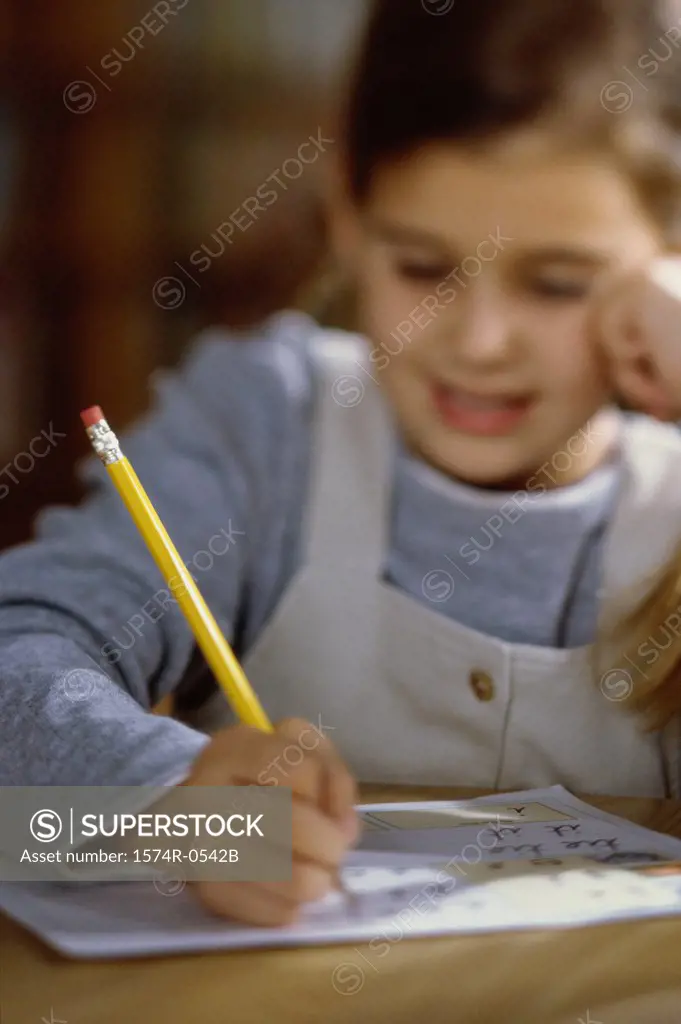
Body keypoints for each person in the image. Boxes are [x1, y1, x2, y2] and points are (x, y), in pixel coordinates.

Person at [2, 0, 681, 925]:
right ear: (346, 219)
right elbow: (22, 656)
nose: (480, 344)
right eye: (420, 265)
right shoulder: (265, 424)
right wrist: (167, 811)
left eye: (557, 283)